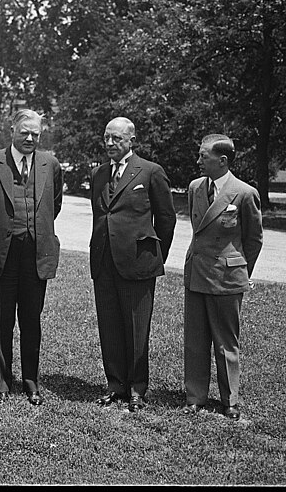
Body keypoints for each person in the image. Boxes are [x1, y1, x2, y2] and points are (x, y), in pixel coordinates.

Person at [0, 109, 63, 406]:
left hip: (35, 255)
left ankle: (31, 382)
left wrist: (36, 229)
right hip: (2, 256)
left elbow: (54, 205)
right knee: (1, 320)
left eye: (35, 133)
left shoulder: (51, 164)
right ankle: (3, 382)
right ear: (12, 131)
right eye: (24, 133)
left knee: (31, 320)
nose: (30, 138)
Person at [89, 117, 176, 412]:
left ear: (132, 141)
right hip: (104, 262)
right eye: (106, 138)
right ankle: (115, 385)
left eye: (117, 138)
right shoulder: (100, 174)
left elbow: (166, 219)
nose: (110, 144)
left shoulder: (151, 172)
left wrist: (153, 256)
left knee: (137, 328)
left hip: (138, 264)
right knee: (109, 326)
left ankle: (137, 389)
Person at [182, 134, 263, 421]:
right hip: (197, 273)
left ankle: (230, 399)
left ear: (222, 160)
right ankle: (195, 396)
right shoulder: (195, 188)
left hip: (226, 278)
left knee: (226, 341)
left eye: (204, 156)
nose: (198, 161)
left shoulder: (244, 193)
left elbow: (253, 240)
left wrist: (241, 270)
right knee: (195, 339)